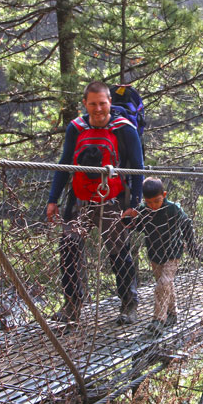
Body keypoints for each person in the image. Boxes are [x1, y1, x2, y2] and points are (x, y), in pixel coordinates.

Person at [46, 81, 144, 326]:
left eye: (102, 103)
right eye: (93, 104)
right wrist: (52, 200)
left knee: (119, 253)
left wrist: (135, 203)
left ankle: (129, 304)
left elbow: (138, 168)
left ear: (109, 102)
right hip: (80, 199)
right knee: (69, 247)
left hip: (113, 200)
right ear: (85, 104)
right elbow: (64, 164)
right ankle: (72, 305)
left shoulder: (125, 129)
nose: (98, 108)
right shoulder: (76, 128)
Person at [127, 177, 201, 337]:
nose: (153, 205)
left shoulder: (173, 209)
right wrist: (128, 219)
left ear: (164, 195)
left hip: (173, 253)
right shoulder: (143, 209)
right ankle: (173, 314)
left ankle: (158, 320)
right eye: (149, 202)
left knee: (164, 283)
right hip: (155, 254)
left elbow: (186, 224)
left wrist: (192, 246)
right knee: (166, 285)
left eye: (157, 201)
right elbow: (138, 227)